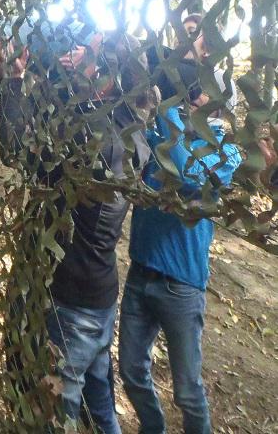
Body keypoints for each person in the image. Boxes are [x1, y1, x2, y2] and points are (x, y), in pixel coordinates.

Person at [0, 34, 150, 433]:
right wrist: (7, 83)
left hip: (72, 302)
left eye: (85, 52)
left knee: (57, 411)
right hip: (98, 293)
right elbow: (46, 127)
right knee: (100, 406)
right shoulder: (128, 126)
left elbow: (20, 151)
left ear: (107, 76)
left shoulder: (94, 138)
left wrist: (12, 82)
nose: (73, 55)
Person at [118, 62, 242, 434]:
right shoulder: (161, 129)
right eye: (189, 91)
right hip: (141, 271)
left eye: (197, 93)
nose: (191, 98)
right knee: (131, 371)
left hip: (181, 285)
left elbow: (187, 172)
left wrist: (167, 106)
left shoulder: (227, 152)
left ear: (218, 104)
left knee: (187, 392)